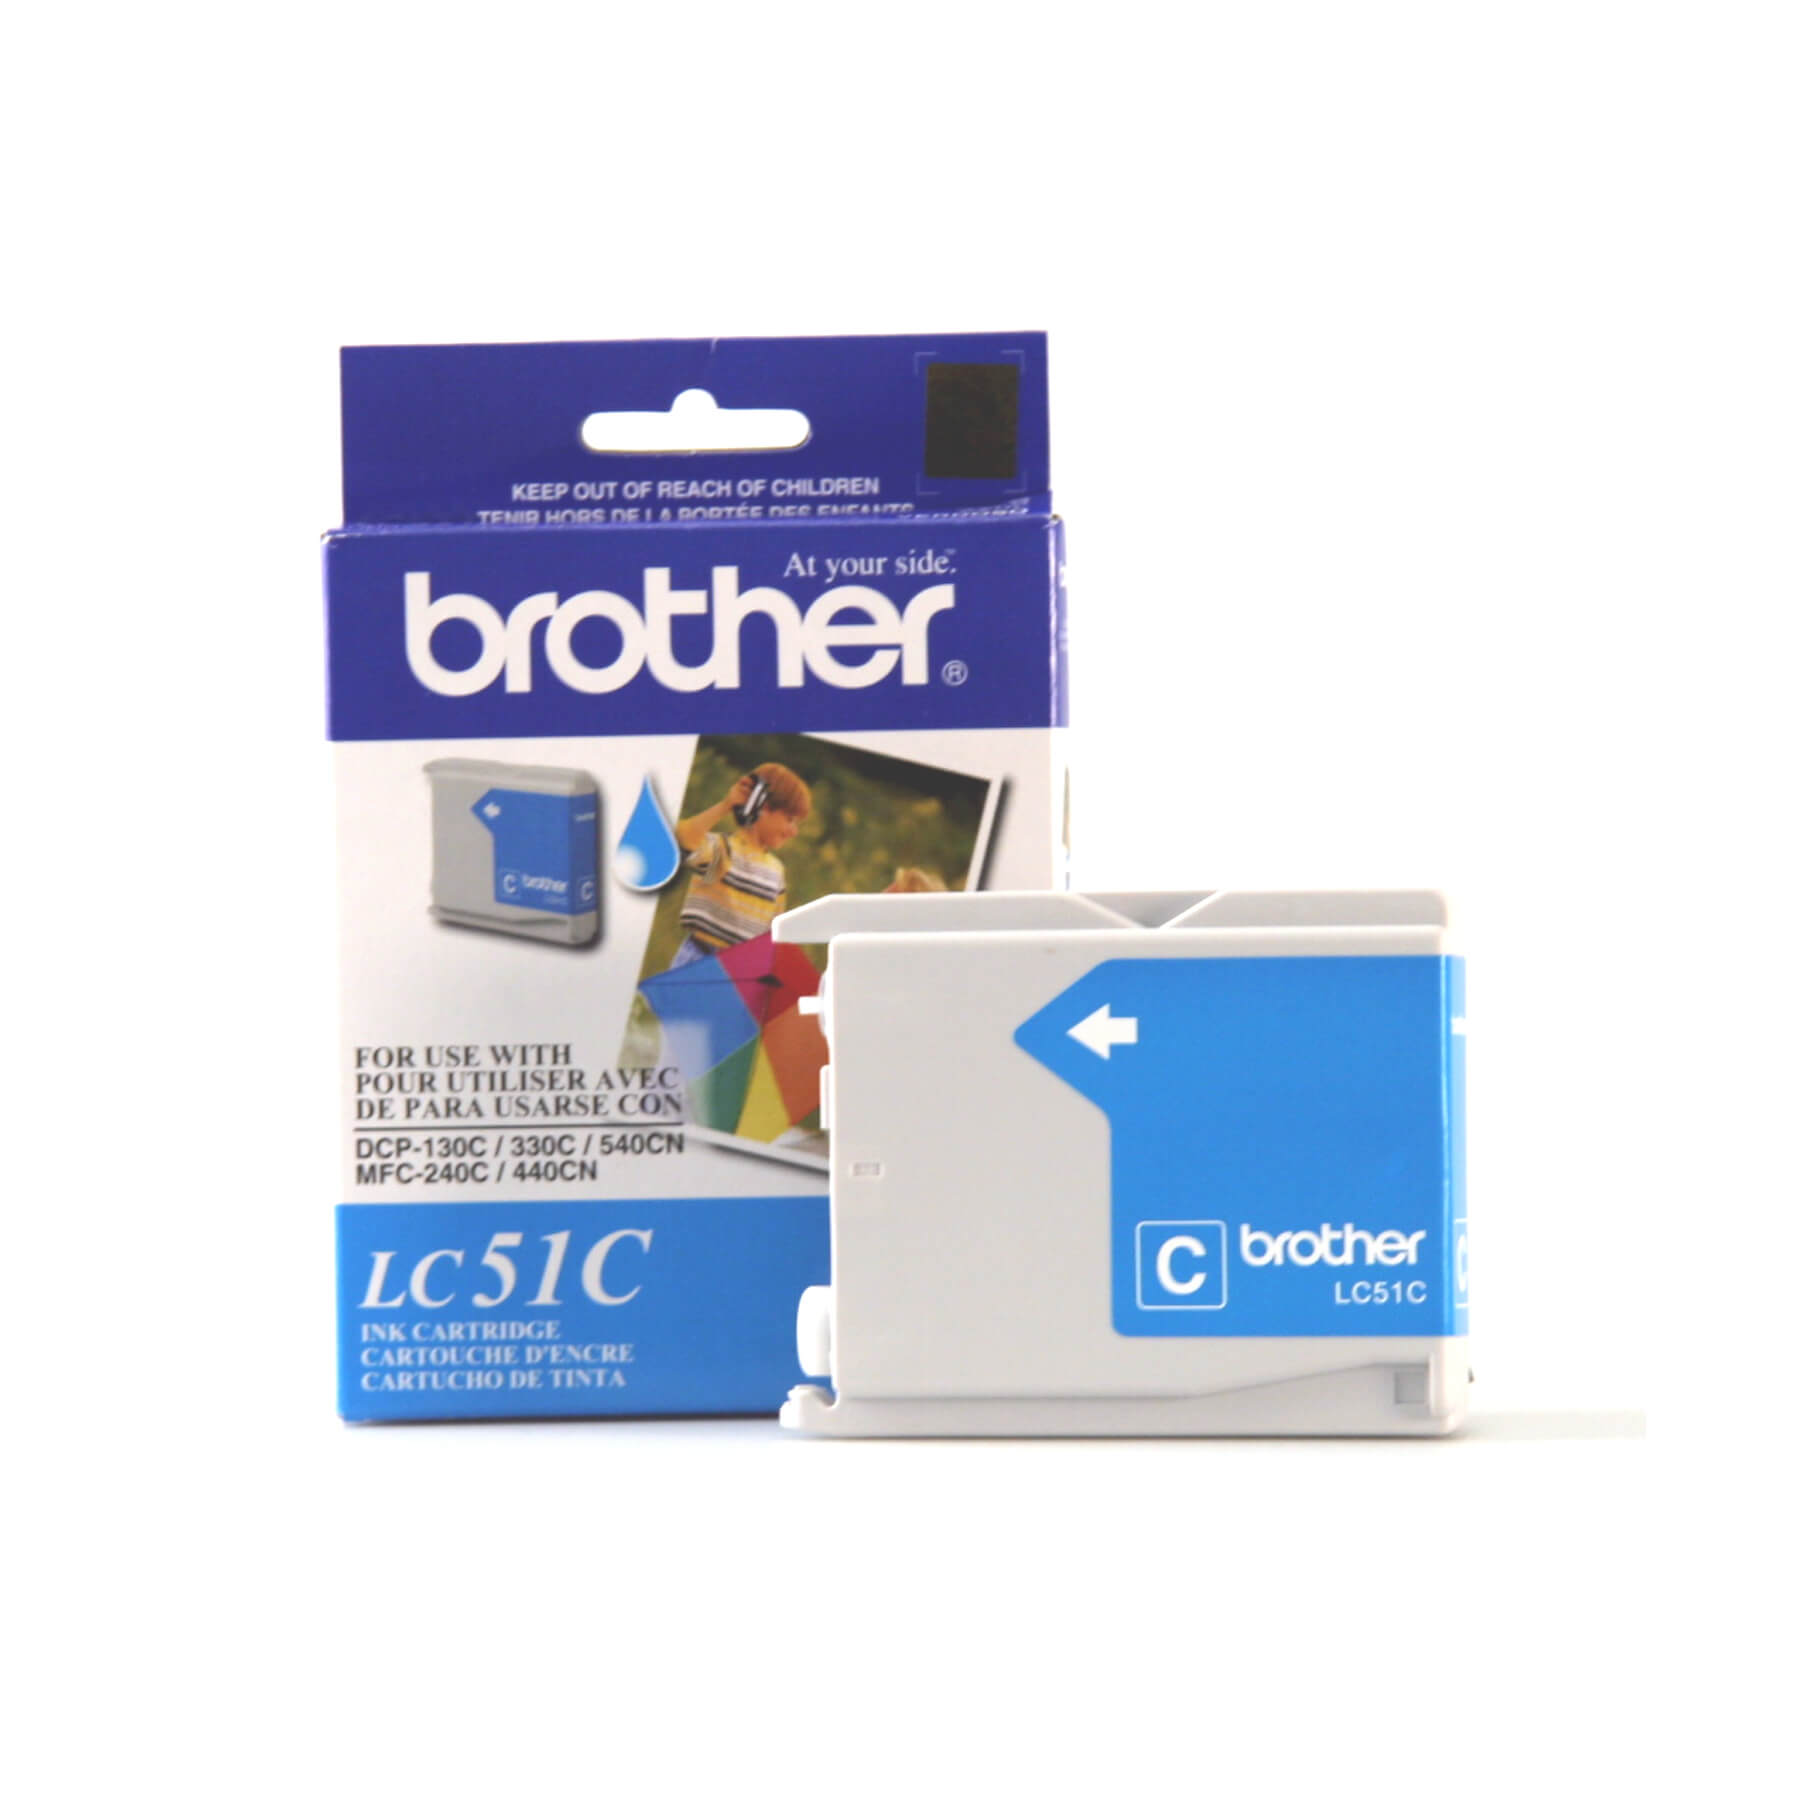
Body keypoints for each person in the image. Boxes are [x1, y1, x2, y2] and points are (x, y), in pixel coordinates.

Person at [668, 763, 811, 967]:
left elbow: (773, 932)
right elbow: (682, 838)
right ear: (764, 808)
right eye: (790, 819)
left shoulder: (776, 872)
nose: (794, 831)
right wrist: (725, 805)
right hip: (698, 961)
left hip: (738, 970)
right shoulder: (722, 851)